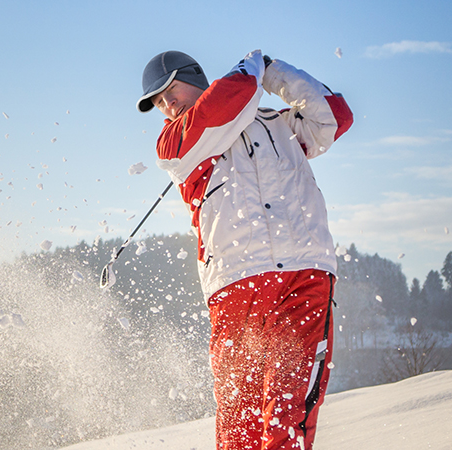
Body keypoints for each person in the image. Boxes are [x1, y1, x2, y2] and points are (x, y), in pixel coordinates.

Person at [136, 50, 353, 450]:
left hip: (305, 274)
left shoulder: (279, 124)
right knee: (242, 420)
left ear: (193, 76)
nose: (166, 105)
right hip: (238, 283)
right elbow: (223, 103)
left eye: (169, 90)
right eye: (158, 102)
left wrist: (276, 73)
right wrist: (251, 69)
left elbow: (335, 117)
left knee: (289, 414)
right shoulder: (175, 142)